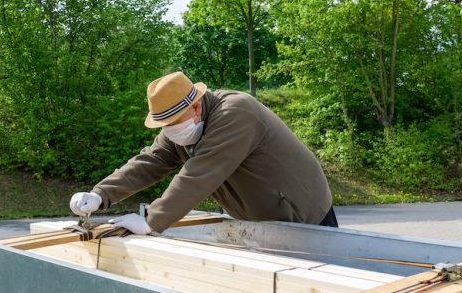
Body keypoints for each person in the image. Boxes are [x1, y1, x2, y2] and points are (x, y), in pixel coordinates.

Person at [70, 71, 337, 235]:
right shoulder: (185, 128)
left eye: (174, 121)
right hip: (261, 223)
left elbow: (199, 174)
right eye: (165, 125)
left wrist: (152, 220)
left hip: (304, 217)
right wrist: (100, 194)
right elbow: (150, 161)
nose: (170, 131)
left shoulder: (236, 113)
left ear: (197, 106)